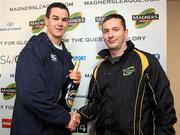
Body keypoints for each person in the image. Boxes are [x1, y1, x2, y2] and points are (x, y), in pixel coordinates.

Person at [78, 14, 177, 135]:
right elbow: (95, 104)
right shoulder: (99, 69)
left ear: (125, 33)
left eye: (116, 29)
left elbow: (164, 108)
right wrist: (76, 117)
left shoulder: (146, 61)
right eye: (106, 31)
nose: (110, 35)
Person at [10, 2, 81, 135]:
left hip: (55, 128)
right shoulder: (33, 49)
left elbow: (63, 96)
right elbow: (31, 95)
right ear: (46, 21)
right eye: (55, 18)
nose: (60, 23)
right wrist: (65, 118)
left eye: (64, 20)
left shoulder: (66, 56)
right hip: (32, 129)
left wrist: (75, 81)